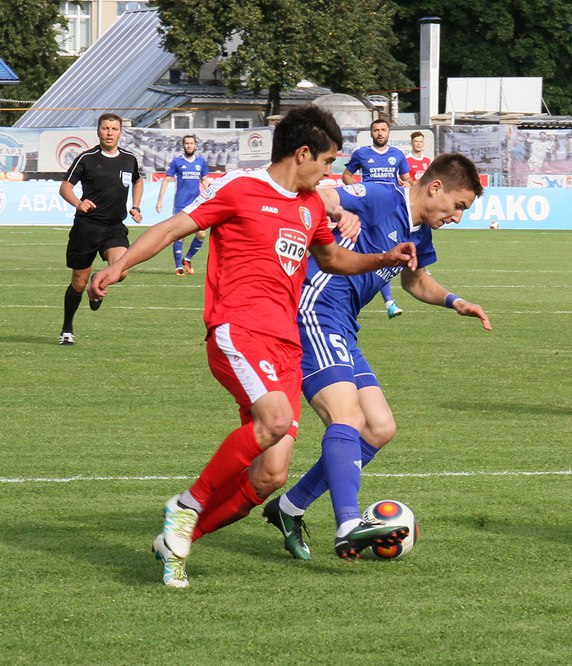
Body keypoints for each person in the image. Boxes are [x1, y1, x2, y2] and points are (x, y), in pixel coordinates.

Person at [88, 105, 418, 588]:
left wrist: (380, 258)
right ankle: (187, 504)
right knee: (277, 420)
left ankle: (179, 539)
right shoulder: (240, 189)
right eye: (326, 163)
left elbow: (331, 258)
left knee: (270, 477)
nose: (329, 174)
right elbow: (171, 229)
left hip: (286, 344)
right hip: (237, 330)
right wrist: (119, 267)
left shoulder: (308, 207)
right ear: (302, 154)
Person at [262, 153, 491, 561]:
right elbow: (323, 193)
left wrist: (454, 301)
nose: (457, 217)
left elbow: (416, 282)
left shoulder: (420, 234)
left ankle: (289, 507)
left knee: (380, 428)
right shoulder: (383, 197)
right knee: (346, 417)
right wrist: (337, 211)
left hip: (344, 325)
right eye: (459, 206)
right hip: (312, 311)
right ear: (435, 188)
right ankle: (348, 523)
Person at [57, 113, 143, 346]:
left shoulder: (129, 159)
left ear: (120, 132)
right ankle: (67, 328)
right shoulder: (87, 158)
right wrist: (78, 202)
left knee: (122, 269)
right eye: (105, 128)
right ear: (98, 131)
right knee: (78, 282)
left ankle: (99, 279)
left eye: (114, 129)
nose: (109, 132)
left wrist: (135, 206)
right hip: (87, 227)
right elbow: (65, 187)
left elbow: (138, 180)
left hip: (114, 227)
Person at [343, 118, 413, 318]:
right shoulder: (362, 154)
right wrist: (356, 191)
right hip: (369, 210)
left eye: (383, 130)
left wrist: (409, 186)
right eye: (376, 130)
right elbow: (347, 175)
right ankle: (389, 302)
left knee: (386, 253)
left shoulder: (397, 155)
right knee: (379, 253)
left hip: (392, 210)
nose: (380, 133)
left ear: (389, 132)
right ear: (371, 133)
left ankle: (386, 301)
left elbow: (408, 179)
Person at [155, 135, 210, 275]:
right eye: (187, 143)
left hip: (197, 203)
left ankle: (188, 258)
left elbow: (204, 181)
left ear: (196, 145)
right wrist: (160, 200)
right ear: (183, 145)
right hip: (180, 204)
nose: (189, 145)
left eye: (191, 143)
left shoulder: (201, 162)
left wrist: (214, 195)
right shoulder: (177, 162)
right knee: (179, 235)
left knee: (202, 234)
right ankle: (178, 266)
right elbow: (166, 180)